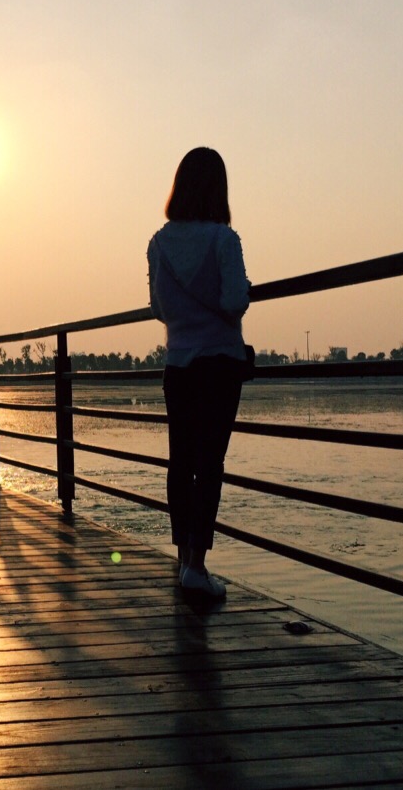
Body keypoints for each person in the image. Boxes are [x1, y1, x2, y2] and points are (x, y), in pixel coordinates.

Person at [147, 147, 250, 596]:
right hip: (220, 364)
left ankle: (183, 561)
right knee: (210, 464)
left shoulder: (159, 243)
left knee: (180, 462)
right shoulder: (224, 240)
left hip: (178, 365)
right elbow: (234, 301)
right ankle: (197, 565)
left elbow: (158, 308)